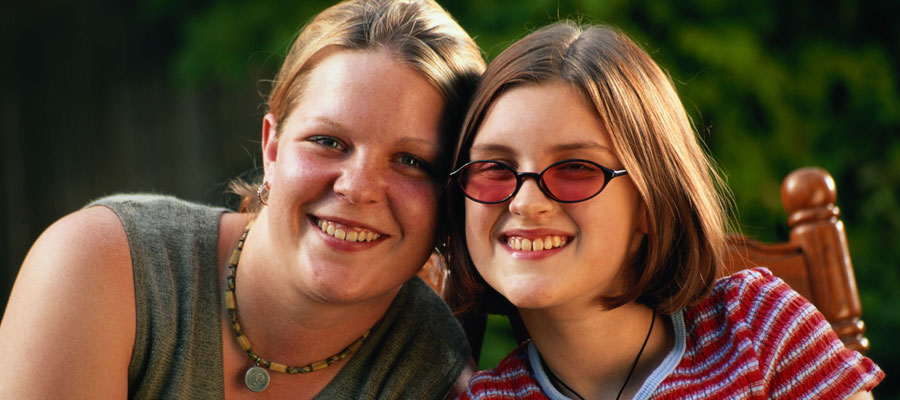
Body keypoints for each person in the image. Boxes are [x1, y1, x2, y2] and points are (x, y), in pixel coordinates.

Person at [0, 0, 485, 398]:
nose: (357, 187)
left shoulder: (436, 377)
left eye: (412, 161)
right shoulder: (102, 266)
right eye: (328, 141)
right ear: (272, 148)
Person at [444, 21, 883, 399]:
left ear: (650, 202)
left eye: (575, 168)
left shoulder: (756, 328)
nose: (525, 202)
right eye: (494, 168)